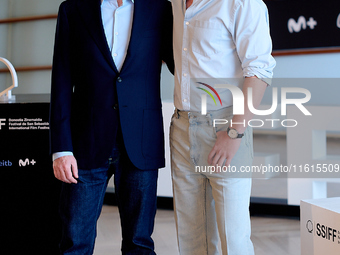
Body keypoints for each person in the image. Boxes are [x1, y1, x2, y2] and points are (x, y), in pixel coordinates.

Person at [49, 0, 174, 254]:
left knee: (139, 243)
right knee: (74, 243)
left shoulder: (160, 8)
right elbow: (61, 80)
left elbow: (182, 62)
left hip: (141, 141)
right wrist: (61, 149)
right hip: (85, 143)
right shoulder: (73, 9)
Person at [170, 0, 276, 254]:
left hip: (226, 129)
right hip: (182, 128)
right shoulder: (173, 3)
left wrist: (234, 133)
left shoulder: (242, 3)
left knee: (234, 240)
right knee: (191, 240)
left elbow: (259, 71)